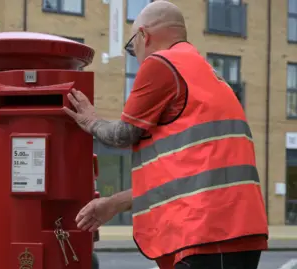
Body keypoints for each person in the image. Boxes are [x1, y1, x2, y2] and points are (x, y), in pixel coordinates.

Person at [62, 1, 269, 269]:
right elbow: (181, 181)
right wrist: (112, 204)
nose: (134, 55)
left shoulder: (161, 64)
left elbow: (125, 134)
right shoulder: (205, 74)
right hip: (234, 231)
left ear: (143, 36)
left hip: (207, 232)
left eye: (131, 46)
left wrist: (91, 121)